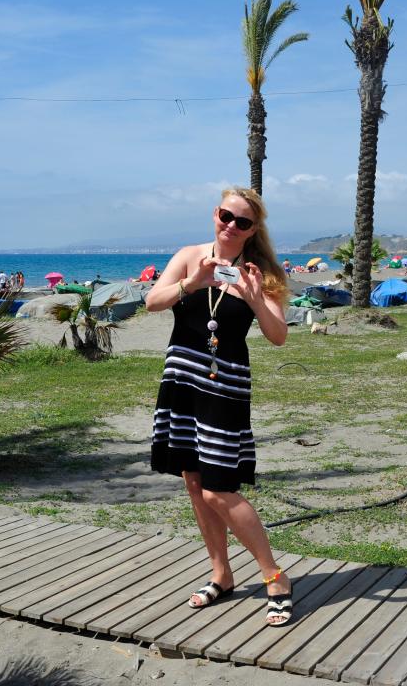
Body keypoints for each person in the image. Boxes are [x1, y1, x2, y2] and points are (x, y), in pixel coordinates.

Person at [145, 187, 293, 627]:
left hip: (224, 387)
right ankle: (221, 575)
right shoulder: (190, 256)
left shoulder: (261, 273)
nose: (232, 225)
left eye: (242, 221)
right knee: (194, 483)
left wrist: (250, 297)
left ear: (253, 230)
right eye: (227, 216)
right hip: (183, 382)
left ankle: (275, 576)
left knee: (218, 488)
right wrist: (195, 282)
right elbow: (153, 301)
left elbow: (278, 335)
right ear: (216, 214)